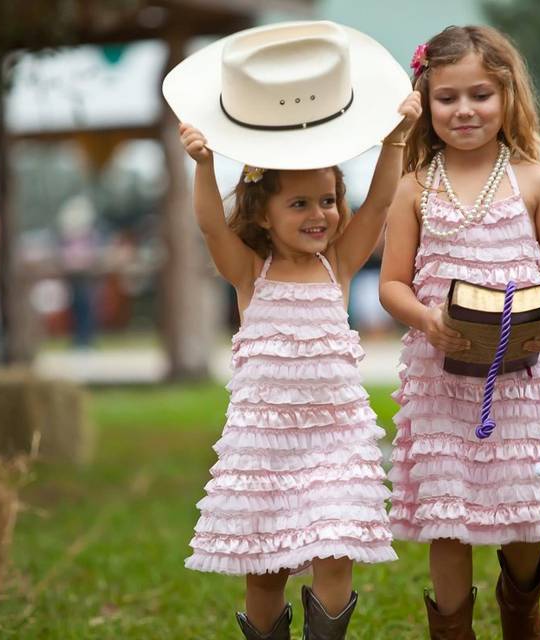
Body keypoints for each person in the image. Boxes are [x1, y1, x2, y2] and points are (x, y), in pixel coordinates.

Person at [163, 20, 418, 640]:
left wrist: (396, 141)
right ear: (264, 212)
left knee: (336, 553)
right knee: (266, 571)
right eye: (299, 204)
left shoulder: (340, 265)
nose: (318, 215)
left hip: (334, 441)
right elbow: (210, 228)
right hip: (266, 448)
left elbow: (381, 204)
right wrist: (204, 164)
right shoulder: (253, 273)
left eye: (327, 201)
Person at [379, 26, 540, 639]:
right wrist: (425, 318)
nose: (465, 110)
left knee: (520, 515)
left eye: (480, 95)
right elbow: (393, 283)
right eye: (447, 98)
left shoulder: (535, 182)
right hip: (439, 377)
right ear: (426, 102)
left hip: (518, 377)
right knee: (448, 516)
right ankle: (452, 629)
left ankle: (521, 612)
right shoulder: (414, 188)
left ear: (507, 96)